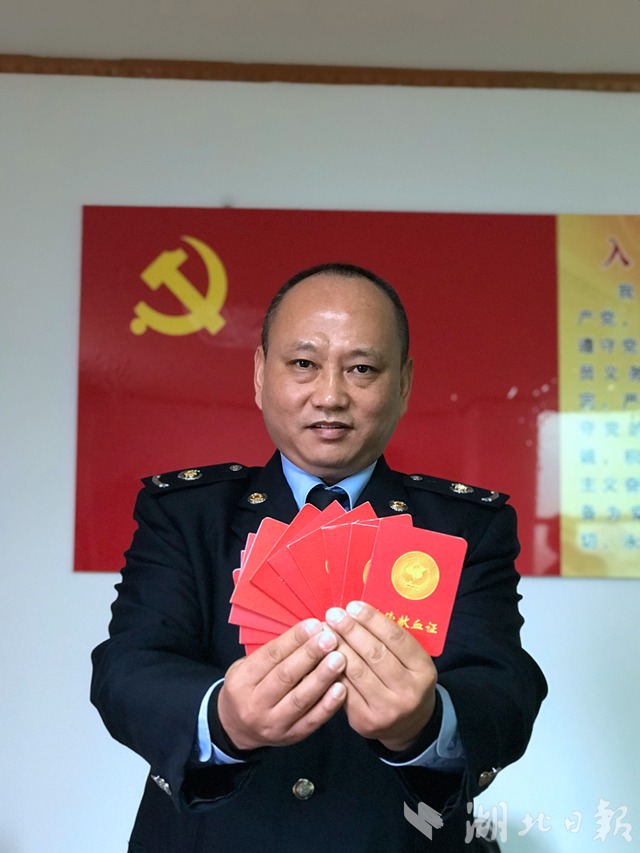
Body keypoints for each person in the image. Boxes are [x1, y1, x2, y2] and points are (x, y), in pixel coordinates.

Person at [91, 262, 547, 852]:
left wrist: (426, 722)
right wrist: (224, 718)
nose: (330, 396)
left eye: (362, 369)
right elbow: (127, 670)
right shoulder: (186, 513)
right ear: (261, 375)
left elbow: (505, 688)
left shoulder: (465, 526)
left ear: (404, 384)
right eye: (303, 364)